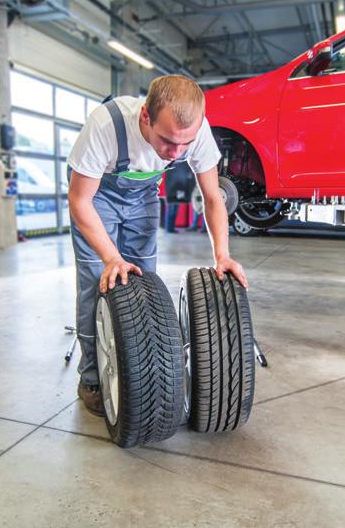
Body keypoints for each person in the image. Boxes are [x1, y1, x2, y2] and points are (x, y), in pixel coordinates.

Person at [67, 75, 248, 416]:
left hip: (143, 194)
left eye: (186, 144)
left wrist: (222, 254)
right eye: (167, 142)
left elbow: (213, 196)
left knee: (144, 281)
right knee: (99, 280)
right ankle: (90, 378)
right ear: (146, 117)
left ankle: (142, 369)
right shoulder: (106, 125)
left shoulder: (196, 131)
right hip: (96, 195)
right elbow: (79, 200)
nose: (177, 153)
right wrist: (110, 257)